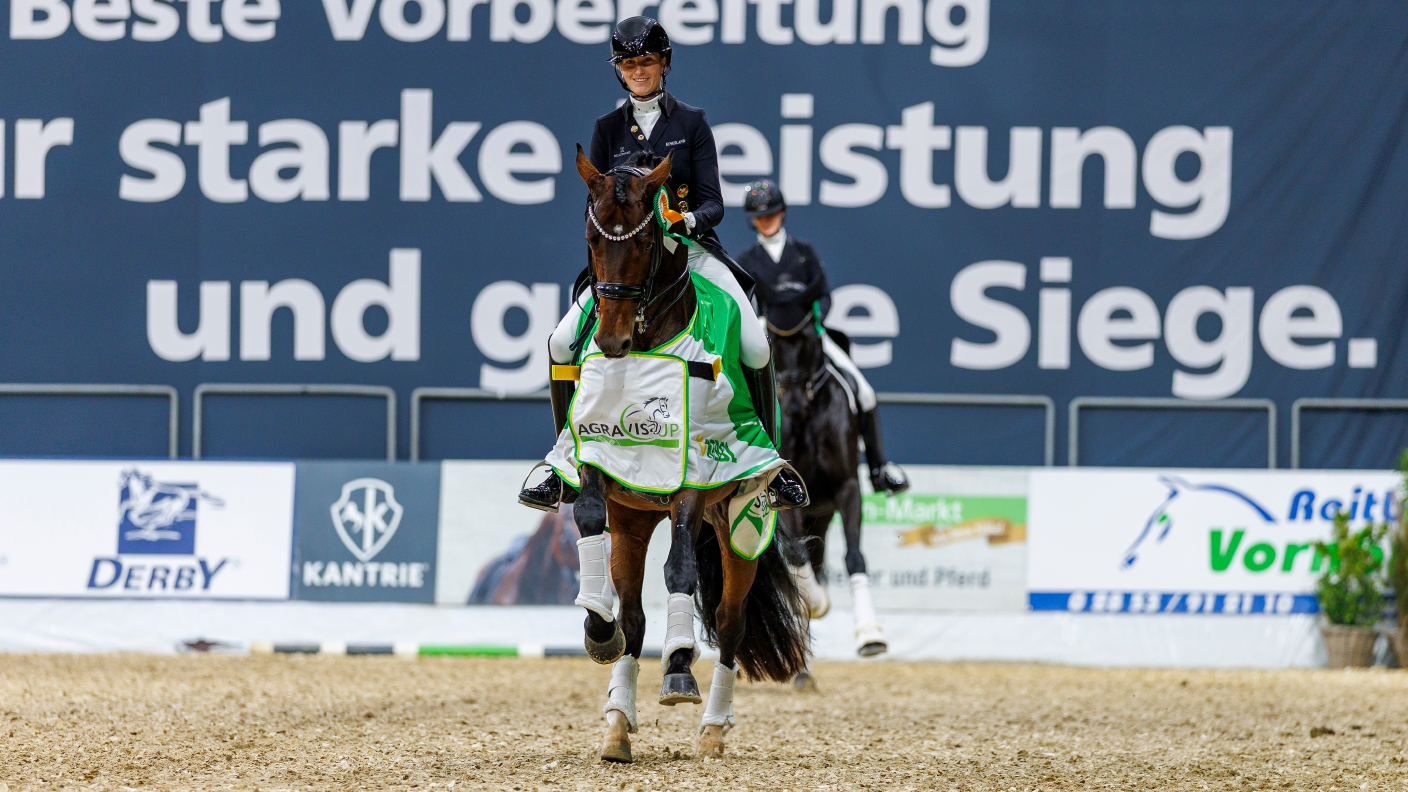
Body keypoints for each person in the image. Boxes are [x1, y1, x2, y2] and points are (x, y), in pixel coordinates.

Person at [518, 17, 808, 512]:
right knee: (562, 341)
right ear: (619, 71)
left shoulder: (691, 123)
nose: (638, 71)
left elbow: (714, 201)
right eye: (629, 64)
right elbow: (596, 203)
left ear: (664, 62)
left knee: (756, 345)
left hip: (689, 254)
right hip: (629, 263)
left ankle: (768, 464)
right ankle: (561, 463)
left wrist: (686, 219)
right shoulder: (608, 130)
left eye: (646, 61)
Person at [735, 179, 910, 495]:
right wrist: (758, 324)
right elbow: (745, 303)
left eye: (771, 214)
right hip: (769, 342)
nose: (765, 221)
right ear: (752, 221)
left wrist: (815, 321)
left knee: (866, 392)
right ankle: (742, 470)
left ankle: (878, 468)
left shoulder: (804, 253)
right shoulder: (747, 261)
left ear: (782, 213)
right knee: (741, 394)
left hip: (809, 337)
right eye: (759, 217)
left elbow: (824, 295)